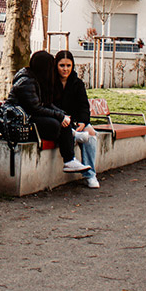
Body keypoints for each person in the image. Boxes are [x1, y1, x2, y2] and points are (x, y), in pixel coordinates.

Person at [8, 51, 89, 173]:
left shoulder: (37, 79)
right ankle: (70, 151)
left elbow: (46, 104)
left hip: (30, 117)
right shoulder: (26, 81)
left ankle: (69, 160)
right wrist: (60, 116)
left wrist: (63, 115)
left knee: (62, 121)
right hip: (21, 120)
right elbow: (35, 108)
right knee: (55, 124)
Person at [54, 49, 99, 189]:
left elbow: (84, 106)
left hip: (75, 121)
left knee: (91, 133)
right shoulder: (51, 83)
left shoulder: (77, 83)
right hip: (60, 120)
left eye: (68, 65)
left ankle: (90, 175)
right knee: (78, 132)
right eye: (62, 65)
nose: (65, 69)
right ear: (56, 65)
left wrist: (83, 121)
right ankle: (74, 135)